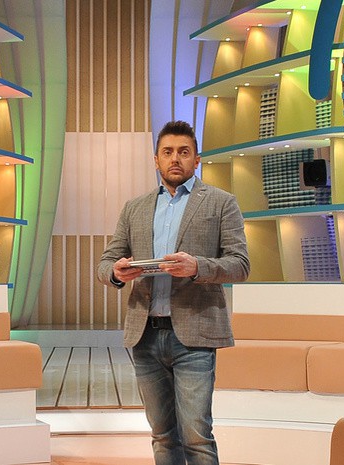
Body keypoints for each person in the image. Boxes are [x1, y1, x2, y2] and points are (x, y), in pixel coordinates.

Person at [98, 120, 250, 465]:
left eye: (184, 152)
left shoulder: (221, 203)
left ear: (197, 159)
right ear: (156, 160)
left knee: (197, 437)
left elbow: (240, 264)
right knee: (163, 436)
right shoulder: (134, 207)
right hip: (145, 336)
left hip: (195, 336)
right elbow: (106, 262)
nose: (175, 158)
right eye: (167, 152)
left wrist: (197, 267)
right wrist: (116, 273)